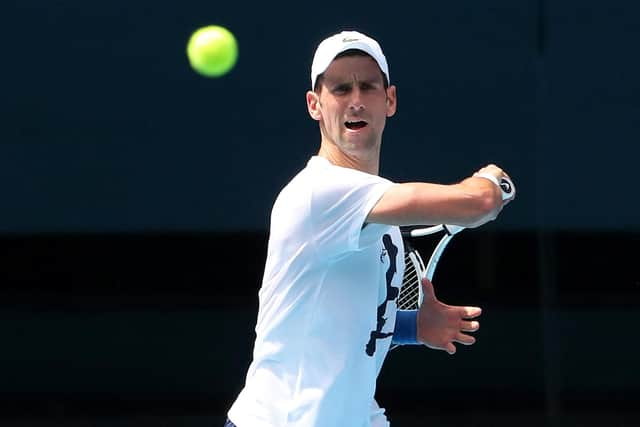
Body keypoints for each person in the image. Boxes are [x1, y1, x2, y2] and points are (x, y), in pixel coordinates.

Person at [225, 30, 515, 427]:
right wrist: (493, 184)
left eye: (367, 86)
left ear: (389, 99)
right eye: (341, 89)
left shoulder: (381, 220)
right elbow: (477, 204)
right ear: (315, 105)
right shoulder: (319, 192)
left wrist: (414, 327)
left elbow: (350, 322)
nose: (356, 100)